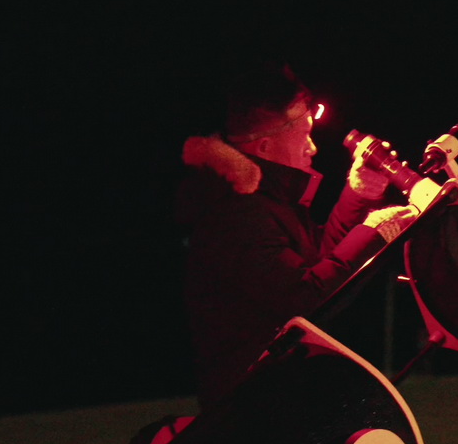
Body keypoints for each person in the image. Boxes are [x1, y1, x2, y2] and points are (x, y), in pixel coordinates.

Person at [178, 64, 415, 408]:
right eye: (303, 136)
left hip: (280, 392)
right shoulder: (235, 213)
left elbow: (317, 262)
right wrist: (376, 232)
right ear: (264, 146)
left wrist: (358, 195)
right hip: (250, 406)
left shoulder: (267, 201)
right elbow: (303, 298)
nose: (313, 148)